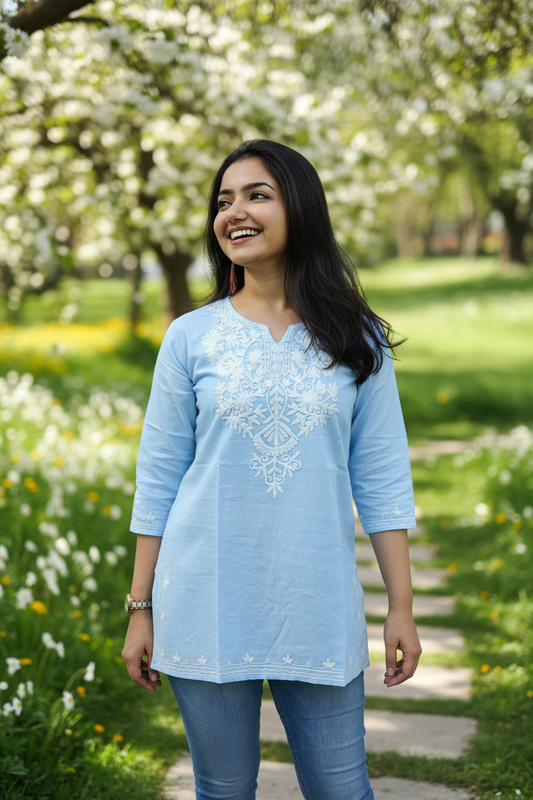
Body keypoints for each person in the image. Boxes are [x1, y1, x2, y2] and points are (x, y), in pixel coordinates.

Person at [122, 139, 422, 800]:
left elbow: (381, 480)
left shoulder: (356, 339)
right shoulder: (189, 337)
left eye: (257, 194)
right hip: (203, 598)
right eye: (223, 201)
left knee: (341, 789)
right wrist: (141, 607)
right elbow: (159, 479)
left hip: (315, 601)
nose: (235, 212)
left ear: (300, 208)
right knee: (223, 790)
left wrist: (400, 605)